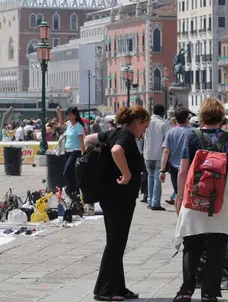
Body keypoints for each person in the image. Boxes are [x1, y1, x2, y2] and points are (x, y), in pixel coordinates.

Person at [174, 98, 228, 302]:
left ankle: (186, 291)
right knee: (218, 245)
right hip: (223, 197)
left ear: (202, 116)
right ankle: (209, 293)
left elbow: (183, 171)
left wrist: (179, 197)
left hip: (195, 195)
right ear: (220, 116)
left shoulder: (192, 137)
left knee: (191, 242)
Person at [84, 105, 150, 301]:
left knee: (117, 242)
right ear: (137, 122)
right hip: (119, 197)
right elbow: (116, 150)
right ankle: (103, 290)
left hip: (110, 195)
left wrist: (99, 166)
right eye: (144, 127)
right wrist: (127, 174)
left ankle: (118, 287)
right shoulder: (126, 136)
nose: (144, 131)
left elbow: (88, 140)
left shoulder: (113, 133)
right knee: (115, 243)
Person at [160, 108, 191, 206]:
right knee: (189, 194)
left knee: (178, 195)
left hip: (174, 168)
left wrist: (162, 170)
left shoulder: (171, 132)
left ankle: (180, 218)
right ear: (188, 118)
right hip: (190, 167)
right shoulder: (194, 132)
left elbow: (165, 151)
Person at [143, 104, 171, 211]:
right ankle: (155, 203)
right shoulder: (164, 124)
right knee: (157, 179)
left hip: (147, 154)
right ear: (163, 113)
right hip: (159, 154)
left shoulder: (147, 122)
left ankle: (150, 200)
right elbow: (168, 141)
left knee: (150, 177)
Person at [57, 106, 85, 199]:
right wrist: (59, 113)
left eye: (70, 114)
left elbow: (81, 141)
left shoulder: (79, 126)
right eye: (68, 114)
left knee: (66, 172)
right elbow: (61, 123)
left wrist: (83, 153)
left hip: (75, 151)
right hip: (67, 151)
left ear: (75, 115)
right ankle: (75, 192)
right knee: (72, 173)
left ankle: (70, 189)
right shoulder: (69, 124)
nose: (68, 116)